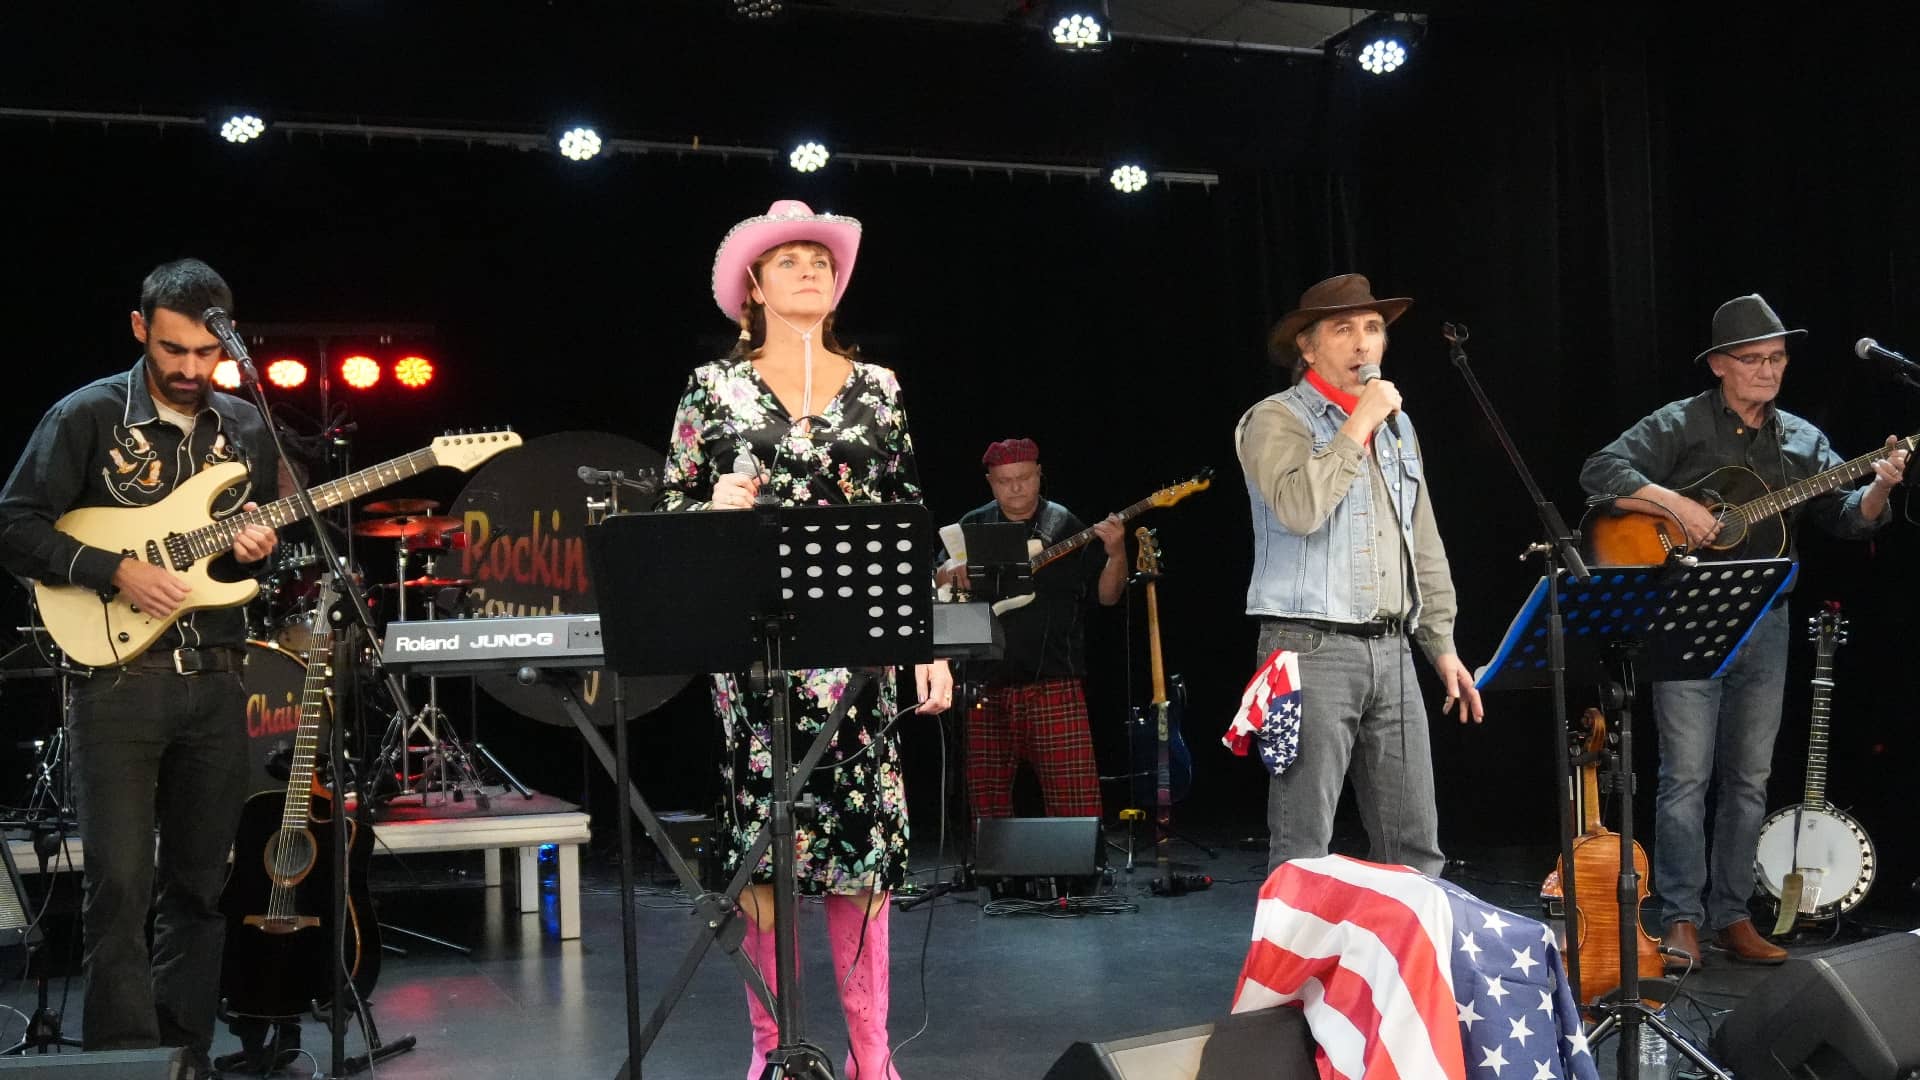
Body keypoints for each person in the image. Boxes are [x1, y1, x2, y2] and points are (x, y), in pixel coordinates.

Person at [659, 199, 953, 1080]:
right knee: (764, 845)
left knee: (862, 845)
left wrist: (925, 643)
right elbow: (669, 510)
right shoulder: (713, 389)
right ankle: (773, 1049)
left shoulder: (882, 387)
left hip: (859, 650)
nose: (811, 271)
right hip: (754, 655)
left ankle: (871, 1054)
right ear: (753, 286)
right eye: (789, 261)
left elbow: (910, 524)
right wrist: (710, 507)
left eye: (821, 261)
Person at [0, 259, 279, 1077]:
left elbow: (241, 546)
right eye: (173, 350)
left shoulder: (247, 428)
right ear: (139, 330)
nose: (190, 369)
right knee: (119, 890)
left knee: (200, 886)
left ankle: (184, 1056)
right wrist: (111, 569)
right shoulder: (86, 415)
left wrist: (260, 539)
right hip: (117, 682)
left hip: (217, 674)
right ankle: (124, 1063)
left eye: (205, 353)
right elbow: (14, 526)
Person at [1580, 293, 1905, 967]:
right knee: (1686, 776)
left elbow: (1845, 516)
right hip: (1689, 616)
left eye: (1777, 358)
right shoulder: (1682, 423)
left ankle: (1731, 914)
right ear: (1722, 365)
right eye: (1753, 359)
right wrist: (1673, 504)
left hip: (1767, 618)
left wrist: (1878, 489)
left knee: (1750, 776)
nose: (1768, 371)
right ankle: (1680, 919)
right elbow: (1600, 471)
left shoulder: (1803, 440)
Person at [1233, 273, 1484, 879]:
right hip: (1309, 648)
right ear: (1308, 348)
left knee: (1416, 842)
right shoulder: (1275, 420)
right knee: (1303, 842)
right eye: (1343, 329)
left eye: (1372, 329)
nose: (1363, 343)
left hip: (1394, 648)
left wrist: (1441, 644)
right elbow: (1299, 509)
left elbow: (1421, 538)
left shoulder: (1399, 427)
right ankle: (1294, 976)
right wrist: (1356, 426)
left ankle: (1405, 974)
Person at [935, 438, 1125, 827]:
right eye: (1005, 481)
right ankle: (995, 876)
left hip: (1053, 681)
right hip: (985, 682)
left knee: (1074, 797)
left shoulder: (1064, 524)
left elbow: (1107, 596)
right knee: (986, 800)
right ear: (990, 481)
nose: (1016, 487)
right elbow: (938, 585)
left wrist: (1118, 552)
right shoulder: (973, 525)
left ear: (1040, 474)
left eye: (1024, 477)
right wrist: (947, 575)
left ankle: (1077, 874)